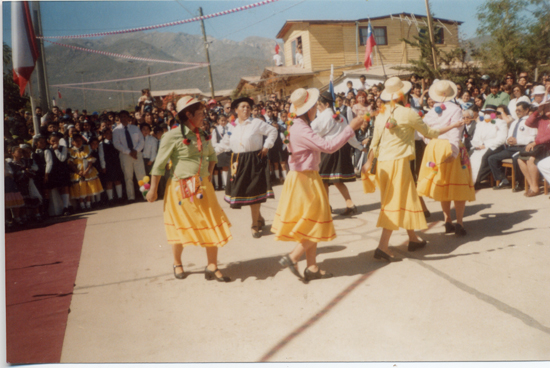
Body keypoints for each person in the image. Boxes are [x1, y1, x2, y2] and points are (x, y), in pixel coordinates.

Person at [362, 77, 463, 260]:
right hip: (398, 163)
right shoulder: (408, 113)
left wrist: (368, 163)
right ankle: (383, 246)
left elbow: (374, 143)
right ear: (404, 94)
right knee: (394, 203)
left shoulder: (381, 114)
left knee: (405, 199)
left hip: (383, 164)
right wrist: (454, 125)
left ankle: (413, 238)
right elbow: (430, 133)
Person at [273, 88, 364, 281]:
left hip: (302, 177)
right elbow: (328, 147)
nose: (316, 109)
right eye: (313, 106)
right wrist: (351, 128)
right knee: (317, 220)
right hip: (305, 179)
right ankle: (293, 256)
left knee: (311, 221)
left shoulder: (296, 124)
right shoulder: (301, 128)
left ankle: (312, 267)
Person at [146, 96, 232, 282]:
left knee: (210, 224)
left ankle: (212, 265)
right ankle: (177, 262)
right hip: (180, 189)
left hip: (203, 188)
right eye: (200, 114)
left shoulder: (203, 133)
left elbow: (211, 157)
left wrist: (207, 178)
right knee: (180, 228)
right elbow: (159, 165)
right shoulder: (171, 136)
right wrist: (153, 189)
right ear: (188, 114)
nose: (203, 117)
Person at [416, 80, 475, 236]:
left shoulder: (431, 111)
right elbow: (456, 132)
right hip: (450, 146)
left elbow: (423, 131)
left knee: (443, 183)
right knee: (457, 185)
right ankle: (459, 223)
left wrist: (431, 142)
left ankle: (448, 220)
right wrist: (454, 152)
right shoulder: (455, 109)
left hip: (434, 147)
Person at [214, 97, 278, 238]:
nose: (246, 109)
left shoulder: (256, 123)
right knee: (248, 193)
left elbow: (273, 131)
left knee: (254, 191)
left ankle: (254, 224)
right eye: (242, 107)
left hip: (254, 160)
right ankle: (259, 218)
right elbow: (224, 144)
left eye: (248, 107)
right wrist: (209, 153)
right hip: (238, 162)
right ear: (235, 110)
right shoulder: (231, 127)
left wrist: (267, 146)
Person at [312, 91, 365, 215]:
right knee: (336, 180)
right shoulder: (341, 117)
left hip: (327, 151)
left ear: (325, 104)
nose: (318, 107)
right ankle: (349, 204)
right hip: (340, 149)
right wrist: (358, 146)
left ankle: (326, 206)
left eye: (319, 104)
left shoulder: (322, 117)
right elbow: (350, 134)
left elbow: (311, 133)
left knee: (323, 179)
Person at [489, 102, 536, 190]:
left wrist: (518, 141)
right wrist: (508, 140)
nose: (517, 112)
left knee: (516, 159)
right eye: (516, 110)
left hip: (523, 148)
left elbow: (533, 138)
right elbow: (508, 136)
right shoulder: (514, 122)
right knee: (492, 158)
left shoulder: (531, 122)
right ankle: (504, 180)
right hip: (511, 148)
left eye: (519, 110)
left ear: (526, 110)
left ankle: (519, 182)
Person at [468, 105, 508, 186]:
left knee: (484, 158)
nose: (487, 114)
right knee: (469, 155)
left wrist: (485, 145)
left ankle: (476, 181)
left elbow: (501, 139)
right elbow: (475, 137)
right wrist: (477, 145)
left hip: (494, 146)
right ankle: (466, 180)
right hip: (479, 146)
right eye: (486, 113)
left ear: (495, 113)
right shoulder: (480, 124)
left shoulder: (501, 123)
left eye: (490, 113)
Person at [112, 110, 146, 202]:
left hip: (137, 154)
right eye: (121, 117)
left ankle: (146, 195)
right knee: (128, 177)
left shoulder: (135, 128)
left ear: (128, 118)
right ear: (119, 119)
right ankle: (131, 197)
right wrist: (129, 152)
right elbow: (116, 144)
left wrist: (135, 150)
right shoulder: (116, 130)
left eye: (125, 116)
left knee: (141, 175)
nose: (123, 118)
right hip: (125, 156)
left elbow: (141, 141)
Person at [519, 103, 550, 196]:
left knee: (531, 160)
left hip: (547, 148)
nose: (547, 110)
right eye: (546, 108)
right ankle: (532, 185)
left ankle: (535, 188)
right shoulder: (541, 119)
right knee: (520, 159)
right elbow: (528, 123)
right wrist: (537, 111)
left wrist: (536, 142)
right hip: (539, 147)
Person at [67, 134, 104, 211]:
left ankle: (88, 204)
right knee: (80, 188)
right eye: (76, 141)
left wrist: (87, 170)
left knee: (88, 187)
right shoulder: (70, 151)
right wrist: (77, 171)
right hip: (78, 171)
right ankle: (82, 205)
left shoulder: (86, 148)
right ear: (72, 142)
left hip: (87, 170)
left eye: (80, 141)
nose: (78, 142)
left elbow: (90, 160)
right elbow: (71, 163)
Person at [44, 132, 72, 216]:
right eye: (53, 141)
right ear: (49, 141)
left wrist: (56, 150)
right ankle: (64, 206)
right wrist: (47, 174)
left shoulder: (63, 148)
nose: (55, 142)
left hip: (63, 170)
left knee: (65, 188)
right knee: (59, 188)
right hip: (54, 172)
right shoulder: (47, 150)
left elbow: (62, 158)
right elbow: (49, 162)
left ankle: (66, 207)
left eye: (56, 140)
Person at [98, 128, 124, 206]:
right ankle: (110, 199)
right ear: (104, 135)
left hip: (116, 163)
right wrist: (103, 166)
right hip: (108, 165)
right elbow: (101, 156)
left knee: (117, 180)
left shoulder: (115, 142)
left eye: (110, 133)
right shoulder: (101, 144)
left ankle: (120, 197)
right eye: (107, 133)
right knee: (109, 182)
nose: (109, 135)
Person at [211, 114, 231, 190]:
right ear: (218, 121)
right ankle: (225, 184)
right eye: (221, 120)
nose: (223, 122)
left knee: (230, 167)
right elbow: (214, 143)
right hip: (221, 151)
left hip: (229, 150)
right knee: (224, 168)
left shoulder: (230, 128)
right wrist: (222, 146)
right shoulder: (215, 130)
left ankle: (230, 184)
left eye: (225, 120)